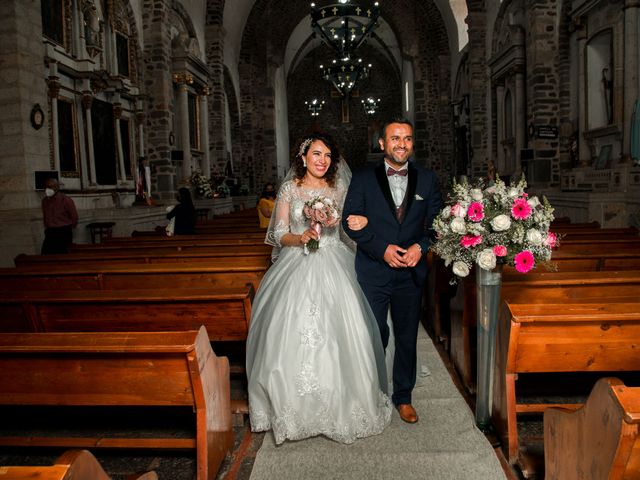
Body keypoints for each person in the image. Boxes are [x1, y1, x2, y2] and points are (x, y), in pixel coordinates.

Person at [246, 133, 392, 444]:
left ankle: (349, 401)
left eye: (327, 154)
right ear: (303, 158)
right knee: (288, 331)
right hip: (297, 262)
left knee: (347, 330)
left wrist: (369, 242)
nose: (322, 160)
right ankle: (291, 409)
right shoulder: (289, 188)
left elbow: (347, 234)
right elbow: (278, 232)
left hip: (335, 260)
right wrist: (300, 238)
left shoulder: (339, 188)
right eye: (316, 154)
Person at [342, 118, 443, 424]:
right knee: (376, 333)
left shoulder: (427, 179)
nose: (402, 144)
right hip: (373, 270)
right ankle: (372, 392)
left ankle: (404, 396)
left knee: (406, 336)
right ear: (382, 144)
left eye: (408, 138)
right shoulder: (362, 178)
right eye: (395, 138)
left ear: (413, 143)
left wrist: (420, 248)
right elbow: (350, 220)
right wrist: (382, 249)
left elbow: (438, 226)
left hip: (410, 275)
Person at [41, 178, 78, 254]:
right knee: (45, 256)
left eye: (51, 187)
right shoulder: (44, 201)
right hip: (50, 232)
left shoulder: (65, 199)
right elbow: (45, 215)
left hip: (63, 232)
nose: (48, 189)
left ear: (57, 187)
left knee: (63, 256)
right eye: (46, 187)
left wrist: (69, 228)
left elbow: (74, 216)